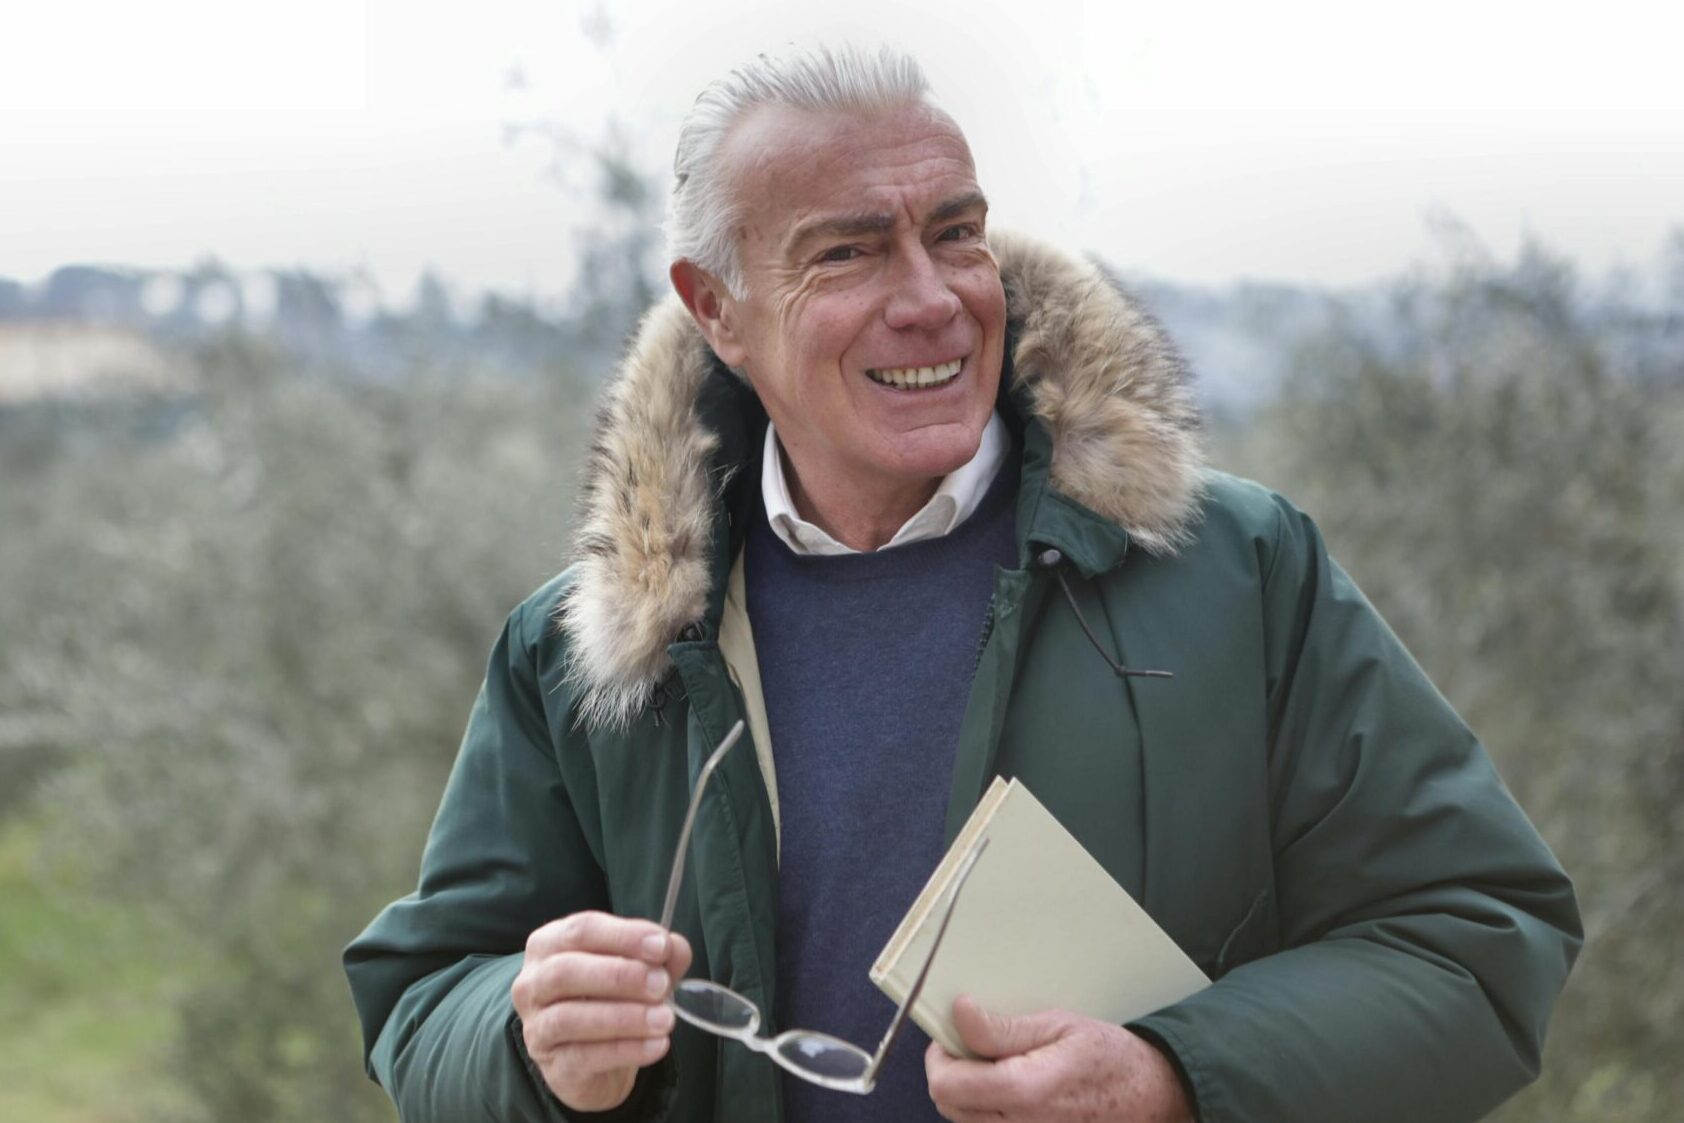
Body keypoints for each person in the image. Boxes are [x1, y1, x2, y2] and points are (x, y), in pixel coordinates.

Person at [343, 44, 1580, 1123]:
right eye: (848, 253)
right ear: (716, 308)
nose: (932, 300)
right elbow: (421, 1002)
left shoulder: (1237, 572)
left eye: (954, 232)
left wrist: (1176, 1078)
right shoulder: (581, 653)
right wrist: (532, 1044)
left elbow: (1479, 938)